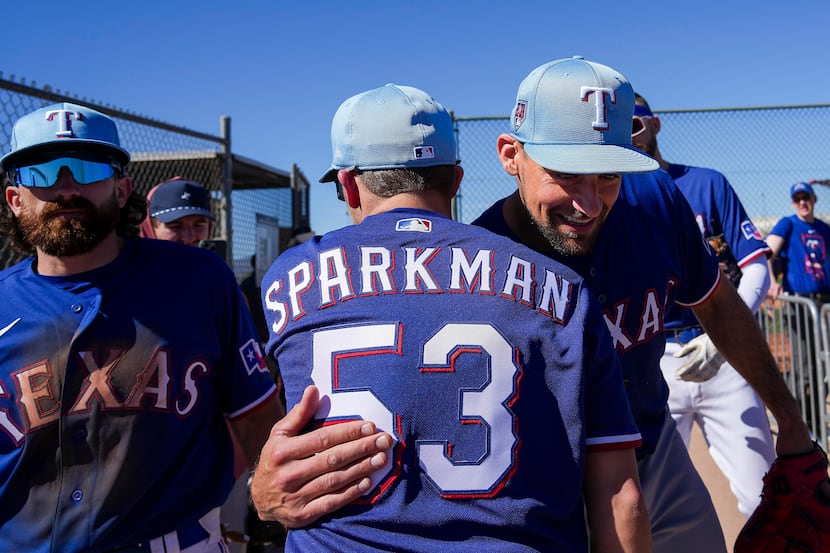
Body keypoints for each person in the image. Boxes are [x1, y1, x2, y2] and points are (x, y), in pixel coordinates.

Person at [249, 58, 823, 552]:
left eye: (610, 175)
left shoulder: (657, 200)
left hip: (652, 440)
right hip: (542, 482)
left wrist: (794, 427)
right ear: (509, 156)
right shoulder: (470, 266)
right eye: (567, 173)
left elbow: (718, 305)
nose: (590, 202)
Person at [256, 83, 651, 552]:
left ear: (347, 184)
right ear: (456, 181)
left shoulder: (289, 278)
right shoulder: (561, 287)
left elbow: (280, 466)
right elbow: (620, 499)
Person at [0, 102, 284, 552]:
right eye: (42, 173)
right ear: (15, 199)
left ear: (121, 189)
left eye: (89, 168)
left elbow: (255, 416)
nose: (67, 187)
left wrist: (268, 500)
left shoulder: (199, 278)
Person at [631, 92, 776, 518]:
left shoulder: (706, 182)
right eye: (623, 128)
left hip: (721, 354)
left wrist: (725, 332)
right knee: (649, 505)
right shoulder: (611, 198)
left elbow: (756, 267)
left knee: (762, 493)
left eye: (638, 125)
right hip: (655, 359)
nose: (632, 135)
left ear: (655, 125)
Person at [766, 180, 830, 434]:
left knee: (823, 367)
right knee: (804, 368)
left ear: (814, 200)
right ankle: (795, 422)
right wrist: (771, 284)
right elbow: (768, 252)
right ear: (793, 203)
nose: (803, 202)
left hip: (824, 304)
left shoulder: (824, 229)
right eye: (798, 199)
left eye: (807, 197)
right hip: (800, 305)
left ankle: (814, 421)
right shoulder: (788, 223)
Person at [138, 176, 215, 246]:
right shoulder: (134, 261)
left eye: (198, 225)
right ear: (150, 228)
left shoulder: (215, 261)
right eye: (176, 227)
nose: (189, 238)